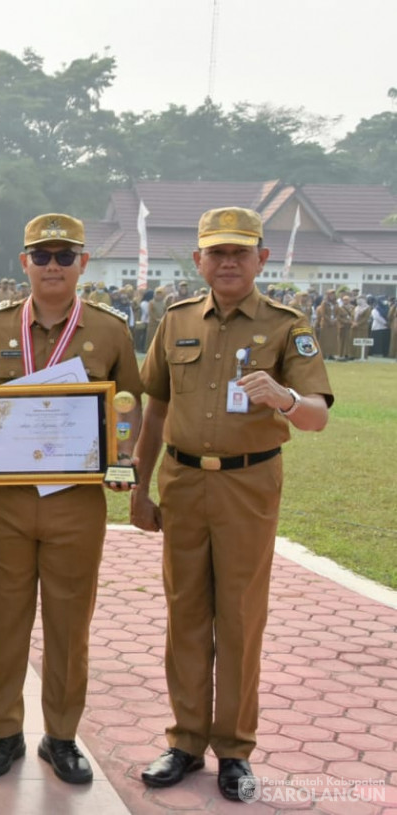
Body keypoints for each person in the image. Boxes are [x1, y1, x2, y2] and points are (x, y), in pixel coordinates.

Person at [130, 207, 332, 801]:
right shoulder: (176, 321)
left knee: (239, 620)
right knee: (185, 615)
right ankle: (185, 742)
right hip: (184, 483)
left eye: (239, 252)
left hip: (248, 485)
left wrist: (286, 396)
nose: (227, 262)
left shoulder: (286, 326)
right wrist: (140, 488)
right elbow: (156, 410)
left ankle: (235, 751)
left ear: (261, 259)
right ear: (198, 260)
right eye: (215, 252)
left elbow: (317, 414)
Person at [0, 213, 144, 784]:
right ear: (24, 263)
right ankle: (3, 730)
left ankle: (61, 736)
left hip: (76, 498)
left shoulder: (110, 330)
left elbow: (130, 400)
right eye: (42, 256)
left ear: (83, 263)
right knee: (4, 617)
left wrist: (122, 457)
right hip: (7, 496)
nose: (53, 266)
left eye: (65, 256)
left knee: (69, 620)